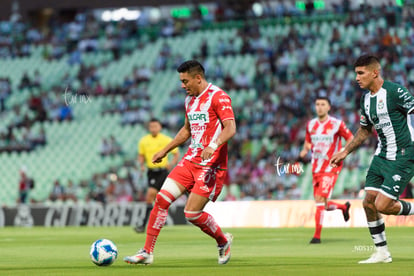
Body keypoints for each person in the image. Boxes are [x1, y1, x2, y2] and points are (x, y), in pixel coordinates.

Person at [124, 60, 236, 265]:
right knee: (161, 200)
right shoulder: (189, 101)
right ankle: (147, 252)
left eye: (185, 81)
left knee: (191, 213)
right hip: (190, 160)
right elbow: (187, 130)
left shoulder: (218, 97)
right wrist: (164, 150)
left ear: (198, 78)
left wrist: (213, 145)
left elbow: (230, 128)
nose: (182, 85)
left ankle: (223, 241)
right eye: (181, 81)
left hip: (211, 165)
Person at [331, 54, 414, 264]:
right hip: (382, 154)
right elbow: (364, 131)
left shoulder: (395, 92)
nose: (357, 78)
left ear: (375, 72)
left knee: (384, 205)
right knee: (368, 202)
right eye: (356, 73)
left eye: (361, 73)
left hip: (404, 154)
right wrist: (344, 152)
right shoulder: (365, 99)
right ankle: (382, 252)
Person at [300, 96, 354, 244]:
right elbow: (307, 143)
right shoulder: (311, 125)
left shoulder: (337, 124)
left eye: (323, 104)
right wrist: (305, 150)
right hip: (316, 168)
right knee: (321, 203)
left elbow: (351, 138)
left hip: (331, 166)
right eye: (317, 104)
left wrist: (343, 151)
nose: (319, 107)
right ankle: (343, 207)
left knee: (319, 199)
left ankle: (316, 236)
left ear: (329, 107)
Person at [134, 118, 180, 233]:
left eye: (155, 126)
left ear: (160, 127)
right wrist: (141, 164)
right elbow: (141, 155)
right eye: (151, 126)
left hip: (162, 171)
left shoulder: (166, 139)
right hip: (151, 172)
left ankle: (144, 225)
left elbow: (176, 153)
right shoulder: (143, 141)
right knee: (155, 197)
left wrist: (171, 164)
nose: (153, 129)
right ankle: (150, 223)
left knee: (151, 195)